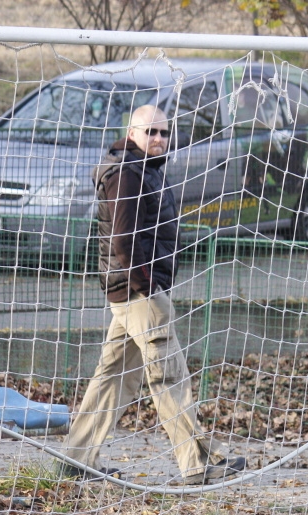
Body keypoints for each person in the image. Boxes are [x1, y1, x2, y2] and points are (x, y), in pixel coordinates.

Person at [57, 104, 244, 485]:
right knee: (170, 376)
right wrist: (148, 286)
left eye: (163, 133)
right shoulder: (127, 173)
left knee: (112, 377)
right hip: (140, 295)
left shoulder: (141, 170)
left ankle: (75, 461)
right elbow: (123, 239)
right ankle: (197, 464)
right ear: (131, 133)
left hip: (128, 293)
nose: (157, 139)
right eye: (149, 132)